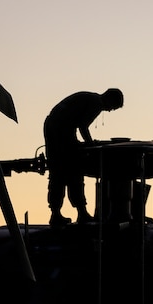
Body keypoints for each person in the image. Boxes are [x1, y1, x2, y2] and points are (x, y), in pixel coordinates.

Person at [43, 88, 124, 225]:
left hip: (55, 128)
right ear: (110, 99)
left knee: (59, 172)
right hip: (59, 132)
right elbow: (83, 126)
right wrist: (91, 145)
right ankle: (79, 213)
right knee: (72, 171)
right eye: (113, 107)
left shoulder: (90, 98)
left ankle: (60, 213)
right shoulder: (96, 103)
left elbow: (77, 124)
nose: (110, 110)